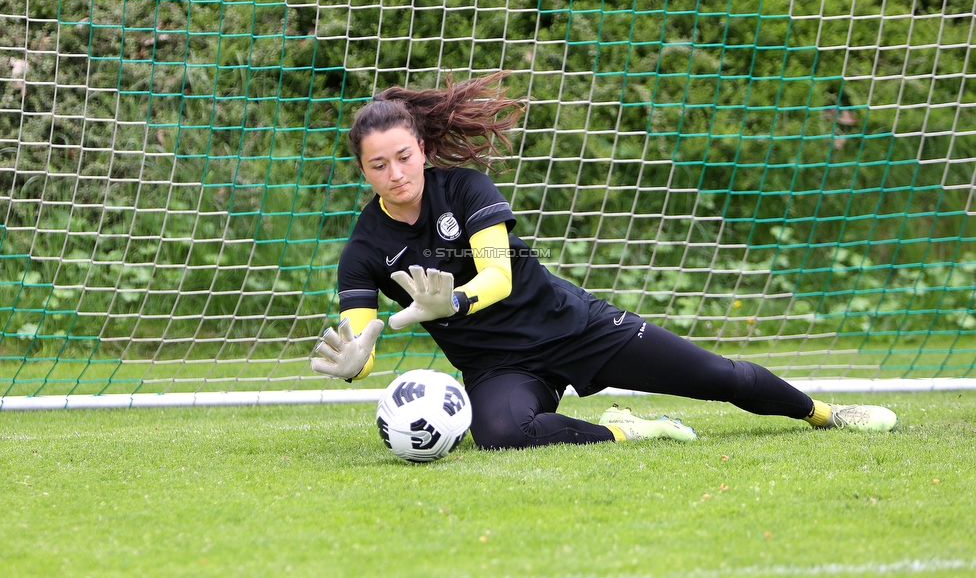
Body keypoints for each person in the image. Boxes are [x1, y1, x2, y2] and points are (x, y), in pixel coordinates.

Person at [310, 71, 897, 450]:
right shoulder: (364, 250)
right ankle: (628, 429)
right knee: (497, 433)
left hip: (575, 326)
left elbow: (498, 274)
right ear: (362, 170)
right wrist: (355, 362)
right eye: (379, 165)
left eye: (404, 157)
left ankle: (825, 413)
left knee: (719, 377)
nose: (396, 173)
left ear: (421, 149)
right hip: (498, 368)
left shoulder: (465, 188)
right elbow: (359, 338)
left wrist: (454, 301)